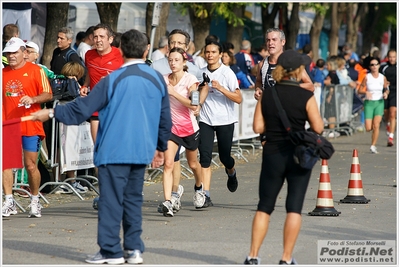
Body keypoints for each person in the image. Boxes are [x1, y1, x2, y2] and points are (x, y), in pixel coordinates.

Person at [30, 29, 172, 264]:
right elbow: (165, 117)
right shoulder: (156, 78)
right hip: (140, 149)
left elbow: (82, 109)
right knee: (133, 199)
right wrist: (160, 146)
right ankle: (133, 249)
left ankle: (110, 250)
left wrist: (52, 111)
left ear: (121, 49)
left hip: (113, 149)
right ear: (146, 50)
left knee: (110, 201)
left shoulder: (113, 79)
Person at [244, 49, 324, 265]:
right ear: (298, 70)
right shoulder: (306, 95)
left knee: (265, 206)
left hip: (273, 153)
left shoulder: (268, 93)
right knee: (294, 207)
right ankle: (286, 258)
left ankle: (252, 256)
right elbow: (318, 127)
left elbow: (258, 126)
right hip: (299, 155)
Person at [152, 29, 204, 214]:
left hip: (189, 128)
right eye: (170, 60)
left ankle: (199, 187)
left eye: (176, 60)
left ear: (184, 62)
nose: (173, 64)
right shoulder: (163, 79)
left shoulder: (191, 80)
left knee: (193, 164)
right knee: (168, 163)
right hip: (171, 129)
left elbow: (194, 105)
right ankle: (168, 201)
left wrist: (174, 93)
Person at [2, 37, 53, 217]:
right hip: (8, 124)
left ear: (24, 53)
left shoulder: (36, 71)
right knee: (6, 164)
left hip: (30, 124)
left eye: (14, 52)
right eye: (8, 53)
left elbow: (48, 94)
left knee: (30, 165)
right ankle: (8, 201)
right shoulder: (3, 73)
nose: (11, 56)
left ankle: (34, 199)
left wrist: (33, 99)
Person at [196, 40, 242, 208]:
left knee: (224, 157)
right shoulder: (199, 72)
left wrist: (221, 89)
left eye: (213, 52)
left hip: (225, 120)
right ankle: (205, 195)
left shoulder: (227, 73)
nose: (210, 55)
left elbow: (239, 99)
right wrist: (196, 101)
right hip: (206, 119)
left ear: (220, 54)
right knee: (205, 157)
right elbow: (194, 93)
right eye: (207, 52)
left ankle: (231, 172)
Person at [80, 23, 124, 177]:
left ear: (110, 39)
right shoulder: (89, 55)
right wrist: (85, 85)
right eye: (95, 36)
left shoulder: (121, 55)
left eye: (102, 37)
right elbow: (89, 73)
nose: (98, 40)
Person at [48, 27, 88, 193]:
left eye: (62, 38)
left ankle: (70, 180)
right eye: (57, 37)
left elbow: (82, 73)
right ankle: (59, 180)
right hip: (56, 103)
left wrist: (79, 87)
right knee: (57, 144)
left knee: (68, 144)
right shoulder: (57, 52)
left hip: (68, 104)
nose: (58, 41)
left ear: (69, 40)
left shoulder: (72, 55)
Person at [357, 57, 389, 154]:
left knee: (376, 125)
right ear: (370, 67)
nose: (374, 66)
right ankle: (373, 139)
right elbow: (359, 90)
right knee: (368, 128)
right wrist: (366, 92)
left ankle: (373, 145)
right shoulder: (367, 77)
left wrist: (386, 93)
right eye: (372, 65)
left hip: (379, 102)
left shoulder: (382, 77)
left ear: (379, 65)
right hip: (369, 103)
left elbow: (386, 88)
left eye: (376, 64)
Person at [380, 49, 397, 147]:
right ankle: (387, 124)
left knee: (393, 113)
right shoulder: (383, 67)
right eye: (390, 57)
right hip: (386, 91)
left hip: (396, 92)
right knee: (386, 114)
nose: (392, 59)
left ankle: (391, 137)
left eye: (394, 57)